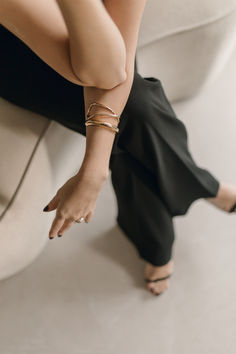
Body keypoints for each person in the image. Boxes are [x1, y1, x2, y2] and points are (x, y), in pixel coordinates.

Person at [1, 0, 236, 297]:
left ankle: (163, 234)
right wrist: (94, 170)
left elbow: (111, 66)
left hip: (97, 34)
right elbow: (103, 72)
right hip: (11, 46)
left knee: (134, 107)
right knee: (135, 110)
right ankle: (202, 188)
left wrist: (93, 170)